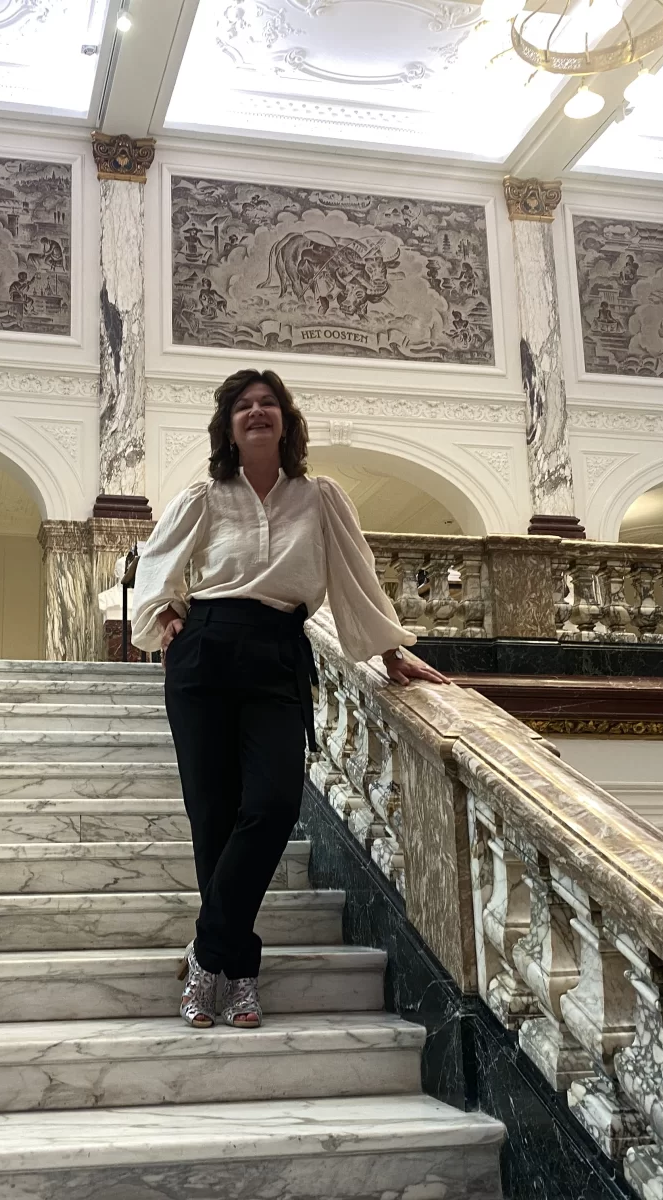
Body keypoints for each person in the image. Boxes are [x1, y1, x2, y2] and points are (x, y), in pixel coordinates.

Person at [130, 368, 448, 1031]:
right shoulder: (205, 496)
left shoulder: (320, 497)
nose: (256, 412)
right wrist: (166, 614)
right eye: (243, 406)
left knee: (273, 804)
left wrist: (391, 651)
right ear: (228, 426)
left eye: (267, 403)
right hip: (205, 650)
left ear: (286, 420)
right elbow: (156, 563)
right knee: (213, 816)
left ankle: (207, 954)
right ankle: (239, 972)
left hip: (277, 652)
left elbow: (355, 575)